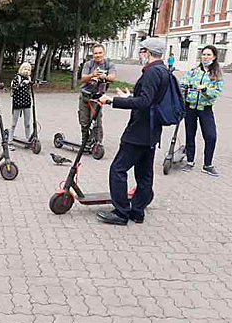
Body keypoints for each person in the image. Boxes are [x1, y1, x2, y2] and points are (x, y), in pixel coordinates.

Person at [97, 38, 170, 226]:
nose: (140, 54)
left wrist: (113, 101)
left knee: (118, 169)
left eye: (142, 51)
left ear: (149, 52)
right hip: (152, 131)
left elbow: (144, 102)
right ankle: (137, 211)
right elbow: (150, 99)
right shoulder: (163, 71)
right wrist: (131, 97)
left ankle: (121, 212)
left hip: (139, 131)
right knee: (144, 173)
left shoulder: (152, 73)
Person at [180, 45, 224, 177]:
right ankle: (190, 161)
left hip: (205, 109)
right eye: (204, 54)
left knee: (211, 136)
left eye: (208, 55)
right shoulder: (193, 71)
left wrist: (205, 89)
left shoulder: (216, 75)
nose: (205, 57)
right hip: (190, 107)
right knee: (190, 134)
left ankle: (208, 165)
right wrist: (185, 87)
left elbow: (216, 93)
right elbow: (183, 83)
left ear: (214, 57)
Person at [78, 44, 116, 146]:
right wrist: (93, 75)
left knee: (97, 122)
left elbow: (112, 78)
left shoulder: (109, 65)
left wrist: (104, 76)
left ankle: (97, 144)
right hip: (85, 96)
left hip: (98, 98)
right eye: (95, 53)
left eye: (100, 53)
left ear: (104, 53)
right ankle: (85, 142)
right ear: (93, 54)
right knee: (84, 121)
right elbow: (83, 78)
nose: (98, 55)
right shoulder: (88, 64)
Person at [9, 62, 33, 150]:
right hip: (17, 103)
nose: (27, 71)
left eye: (29, 70)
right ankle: (9, 141)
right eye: (25, 69)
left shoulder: (29, 78)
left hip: (27, 103)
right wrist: (23, 83)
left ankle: (28, 140)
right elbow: (15, 89)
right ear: (21, 69)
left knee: (27, 124)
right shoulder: (17, 77)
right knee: (13, 124)